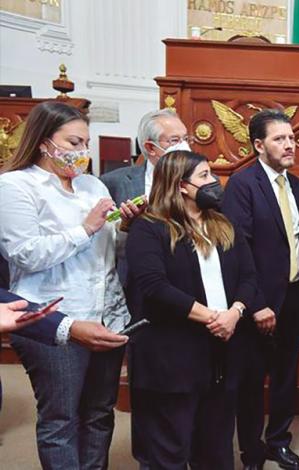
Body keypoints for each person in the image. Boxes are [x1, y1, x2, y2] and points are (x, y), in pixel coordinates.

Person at [0, 101, 141, 469]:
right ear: (45, 142)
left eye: (85, 143)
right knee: (61, 419)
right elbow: (25, 254)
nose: (82, 153)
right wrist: (86, 228)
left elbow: (108, 253)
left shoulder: (92, 184)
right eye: (74, 143)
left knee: (99, 413)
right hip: (53, 319)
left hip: (107, 314)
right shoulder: (16, 185)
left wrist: (123, 228)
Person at [125, 150, 257, 469]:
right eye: (205, 176)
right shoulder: (149, 227)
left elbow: (249, 276)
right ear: (181, 185)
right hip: (170, 355)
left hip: (221, 352)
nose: (214, 181)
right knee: (169, 450)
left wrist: (235, 312)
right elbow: (153, 286)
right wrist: (211, 316)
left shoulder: (223, 224)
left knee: (215, 448)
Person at [221, 109, 299, 470]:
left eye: (291, 138)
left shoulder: (298, 186)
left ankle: (278, 441)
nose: (289, 145)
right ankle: (252, 450)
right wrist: (255, 304)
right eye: (279, 139)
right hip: (257, 305)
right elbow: (238, 248)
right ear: (259, 145)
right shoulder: (243, 185)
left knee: (286, 377)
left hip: (293, 299)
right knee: (252, 382)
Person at [0, 289, 129, 412]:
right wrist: (65, 325)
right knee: (60, 415)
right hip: (53, 309)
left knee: (100, 410)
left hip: (108, 312)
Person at [100, 109, 189, 284]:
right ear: (150, 147)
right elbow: (106, 243)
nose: (184, 146)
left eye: (185, 139)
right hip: (136, 282)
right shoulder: (114, 182)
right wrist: (126, 226)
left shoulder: (204, 181)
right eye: (174, 141)